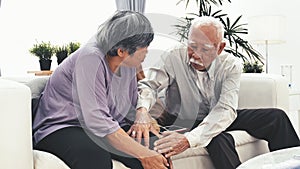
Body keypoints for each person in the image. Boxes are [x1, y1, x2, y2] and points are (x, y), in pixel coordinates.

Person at [132, 16, 300, 169]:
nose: (196, 54)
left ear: (220, 48)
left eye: (205, 49)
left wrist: (188, 140)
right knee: (218, 139)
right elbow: (149, 85)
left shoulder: (231, 65)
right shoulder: (174, 56)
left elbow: (225, 110)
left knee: (277, 118)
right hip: (185, 119)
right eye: (192, 46)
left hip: (219, 114)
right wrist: (142, 111)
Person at [33, 10, 170, 169]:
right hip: (63, 127)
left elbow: (127, 109)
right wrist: (143, 154)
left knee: (156, 146)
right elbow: (98, 121)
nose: (147, 51)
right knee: (94, 156)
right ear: (121, 51)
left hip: (103, 128)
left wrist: (144, 120)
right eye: (144, 47)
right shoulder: (90, 58)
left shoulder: (128, 65)